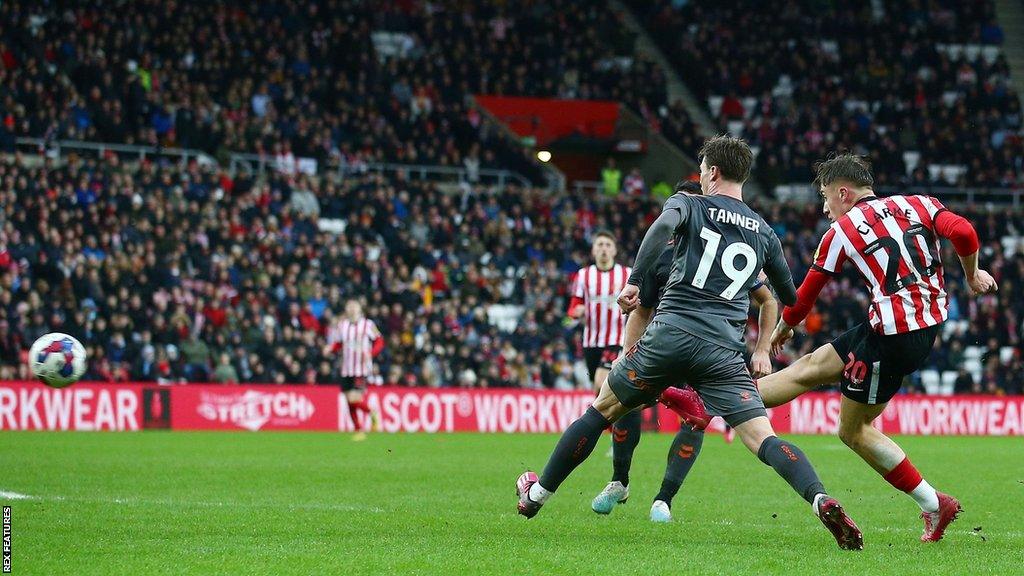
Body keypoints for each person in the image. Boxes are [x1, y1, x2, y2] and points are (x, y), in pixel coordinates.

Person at [516, 136, 864, 551]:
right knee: (762, 438)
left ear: (712, 172)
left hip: (672, 333)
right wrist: (781, 328)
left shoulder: (691, 204)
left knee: (602, 409)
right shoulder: (764, 231)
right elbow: (789, 294)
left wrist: (632, 280)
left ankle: (537, 496)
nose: (700, 175)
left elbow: (662, 229)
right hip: (723, 352)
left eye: (702, 168)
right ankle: (820, 498)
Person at [663, 153, 997, 543]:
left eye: (825, 198)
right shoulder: (918, 203)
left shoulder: (841, 232)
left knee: (853, 431)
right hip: (905, 326)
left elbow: (804, 297)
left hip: (892, 338)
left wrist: (783, 327)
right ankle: (708, 402)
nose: (824, 208)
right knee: (810, 367)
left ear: (844, 192)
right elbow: (965, 233)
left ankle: (933, 503)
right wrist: (971, 275)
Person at [590, 182, 780, 523]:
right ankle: (619, 480)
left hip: (707, 352)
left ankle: (664, 499)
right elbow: (642, 310)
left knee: (696, 420)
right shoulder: (660, 259)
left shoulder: (726, 254)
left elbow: (769, 299)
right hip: (661, 351)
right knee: (623, 405)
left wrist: (763, 347)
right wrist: (625, 353)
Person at [567, 231, 630, 394]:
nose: (604, 249)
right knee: (599, 390)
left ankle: (603, 419)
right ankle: (609, 419)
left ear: (614, 251)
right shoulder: (583, 275)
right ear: (593, 250)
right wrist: (575, 313)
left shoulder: (627, 274)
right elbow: (571, 311)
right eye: (600, 245)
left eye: (608, 245)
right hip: (591, 342)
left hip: (616, 339)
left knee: (600, 383)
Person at [326, 299, 385, 441]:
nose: (352, 308)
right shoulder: (342, 326)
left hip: (361, 369)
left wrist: (371, 353)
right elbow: (339, 344)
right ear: (346, 309)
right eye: (349, 306)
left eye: (354, 306)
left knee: (354, 398)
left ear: (359, 309)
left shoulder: (368, 324)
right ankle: (359, 430)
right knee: (348, 400)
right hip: (346, 369)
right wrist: (330, 348)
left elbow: (379, 341)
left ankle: (372, 412)